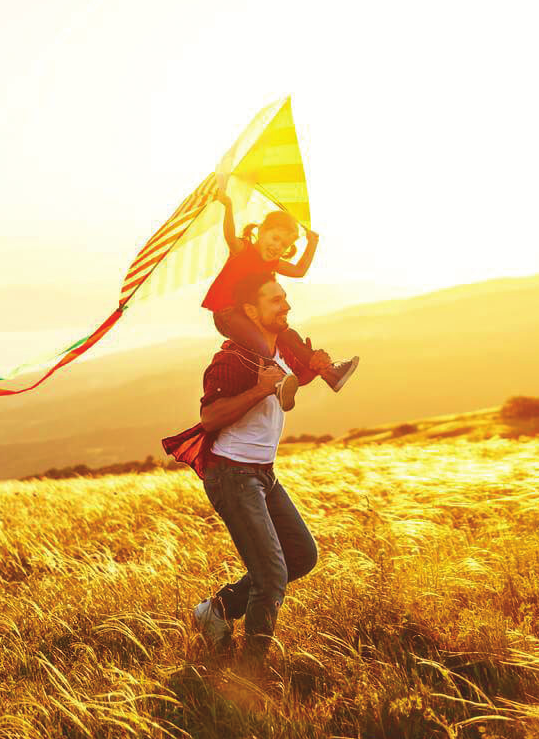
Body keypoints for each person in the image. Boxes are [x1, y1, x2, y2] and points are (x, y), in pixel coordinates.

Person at [162, 271, 326, 672]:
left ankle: (215, 610)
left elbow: (292, 380)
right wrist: (258, 389)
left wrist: (316, 369)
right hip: (233, 475)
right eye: (275, 300)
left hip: (263, 474)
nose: (285, 304)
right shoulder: (232, 358)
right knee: (271, 575)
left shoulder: (279, 351)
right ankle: (251, 673)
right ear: (250, 311)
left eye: (286, 297)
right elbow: (210, 414)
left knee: (301, 555)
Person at [200, 182, 358, 412]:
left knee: (288, 335)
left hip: (253, 316)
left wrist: (312, 244)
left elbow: (299, 271)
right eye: (275, 238)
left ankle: (329, 372)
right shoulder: (244, 250)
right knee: (261, 344)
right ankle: (277, 383)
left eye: (284, 244)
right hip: (228, 314)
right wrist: (228, 206)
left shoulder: (272, 262)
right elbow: (229, 237)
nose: (278, 246)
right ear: (261, 231)